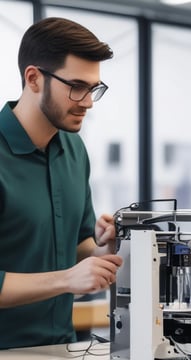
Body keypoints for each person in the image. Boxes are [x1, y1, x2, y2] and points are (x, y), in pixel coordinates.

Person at [0, 17, 123, 349]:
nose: (88, 102)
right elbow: (67, 276)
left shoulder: (74, 149)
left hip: (63, 347)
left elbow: (78, 244)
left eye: (94, 88)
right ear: (34, 78)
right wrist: (67, 280)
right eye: (77, 86)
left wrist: (102, 247)